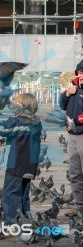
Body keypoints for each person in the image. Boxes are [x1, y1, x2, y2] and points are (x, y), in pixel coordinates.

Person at [0, 93, 42, 224]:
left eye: (16, 104)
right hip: (30, 165)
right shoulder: (36, 122)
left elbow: (1, 129)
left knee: (10, 194)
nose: (13, 106)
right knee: (24, 194)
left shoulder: (17, 121)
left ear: (22, 107)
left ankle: (13, 221)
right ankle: (26, 220)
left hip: (17, 164)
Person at [61, 61, 83, 218]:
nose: (79, 76)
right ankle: (78, 206)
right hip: (72, 136)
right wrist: (67, 94)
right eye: (78, 73)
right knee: (74, 173)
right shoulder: (73, 88)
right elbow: (62, 105)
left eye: (82, 73)